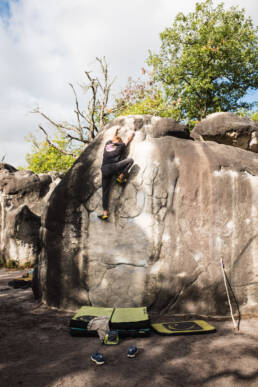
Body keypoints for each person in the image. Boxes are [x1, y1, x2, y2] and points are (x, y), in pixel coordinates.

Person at [98, 127, 135, 220]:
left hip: (104, 169)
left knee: (105, 192)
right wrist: (131, 135)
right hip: (113, 167)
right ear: (119, 141)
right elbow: (127, 141)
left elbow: (113, 137)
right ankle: (121, 177)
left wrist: (116, 131)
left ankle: (105, 213)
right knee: (130, 160)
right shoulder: (121, 146)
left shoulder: (107, 144)